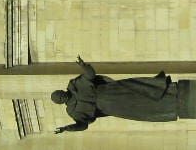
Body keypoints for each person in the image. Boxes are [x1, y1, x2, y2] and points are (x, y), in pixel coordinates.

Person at [52, 57, 183, 133]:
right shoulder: (73, 111)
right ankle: (168, 107)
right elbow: (83, 124)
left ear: (62, 91)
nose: (62, 97)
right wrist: (67, 128)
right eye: (60, 99)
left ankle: (169, 91)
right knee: (140, 107)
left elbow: (90, 75)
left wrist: (84, 66)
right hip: (113, 107)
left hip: (112, 90)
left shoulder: (74, 85)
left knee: (139, 89)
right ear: (61, 103)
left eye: (60, 94)